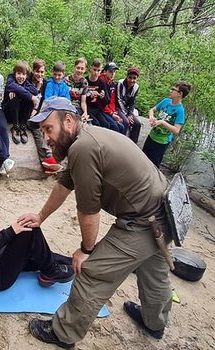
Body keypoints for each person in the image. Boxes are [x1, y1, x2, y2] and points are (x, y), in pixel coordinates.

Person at [20, 97, 172, 348]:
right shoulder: (85, 136)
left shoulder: (82, 148)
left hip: (145, 220)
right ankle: (154, 322)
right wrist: (40, 217)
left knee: (92, 272)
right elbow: (64, 184)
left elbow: (88, 211)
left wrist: (87, 251)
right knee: (153, 271)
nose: (46, 138)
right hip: (164, 211)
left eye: (48, 129)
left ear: (68, 121)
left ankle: (63, 333)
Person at [142, 81, 191, 168]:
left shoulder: (180, 110)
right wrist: (152, 117)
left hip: (162, 142)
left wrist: (162, 122)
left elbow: (176, 130)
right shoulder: (165, 101)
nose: (170, 91)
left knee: (153, 166)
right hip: (151, 136)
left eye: (174, 90)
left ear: (180, 94)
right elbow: (152, 110)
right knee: (142, 159)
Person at [28, 59, 62, 174]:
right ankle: (45, 160)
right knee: (38, 130)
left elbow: (44, 101)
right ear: (33, 71)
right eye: (38, 72)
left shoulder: (46, 83)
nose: (40, 74)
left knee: (49, 128)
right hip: (27, 114)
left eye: (42, 72)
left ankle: (53, 158)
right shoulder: (27, 81)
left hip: (39, 113)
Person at [3, 61, 38, 144]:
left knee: (28, 98)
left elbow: (35, 91)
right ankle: (15, 127)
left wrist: (19, 90)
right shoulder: (10, 78)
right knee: (14, 96)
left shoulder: (26, 81)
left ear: (26, 75)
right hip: (9, 113)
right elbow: (11, 86)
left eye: (23, 74)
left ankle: (23, 126)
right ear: (14, 73)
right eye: (18, 73)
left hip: (21, 115)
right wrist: (30, 96)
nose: (21, 76)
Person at [85, 59, 116, 130]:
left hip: (97, 109)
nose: (96, 73)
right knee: (96, 124)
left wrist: (103, 96)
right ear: (90, 68)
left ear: (101, 70)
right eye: (94, 70)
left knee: (106, 125)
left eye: (98, 70)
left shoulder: (102, 83)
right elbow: (81, 98)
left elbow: (106, 101)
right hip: (87, 108)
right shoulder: (85, 81)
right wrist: (90, 96)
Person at [116, 67, 142, 144]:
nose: (132, 80)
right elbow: (118, 99)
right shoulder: (120, 83)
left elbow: (132, 102)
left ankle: (132, 144)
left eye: (134, 78)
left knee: (137, 124)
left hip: (126, 109)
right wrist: (127, 115)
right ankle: (121, 143)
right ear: (126, 76)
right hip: (117, 107)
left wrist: (130, 114)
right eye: (130, 77)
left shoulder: (136, 87)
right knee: (126, 122)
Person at [98, 62, 125, 133]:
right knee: (114, 127)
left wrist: (113, 112)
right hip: (101, 109)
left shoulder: (112, 84)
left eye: (114, 72)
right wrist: (111, 114)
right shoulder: (100, 82)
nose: (113, 74)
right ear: (105, 72)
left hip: (108, 110)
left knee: (122, 126)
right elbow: (101, 103)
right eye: (110, 71)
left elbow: (112, 101)